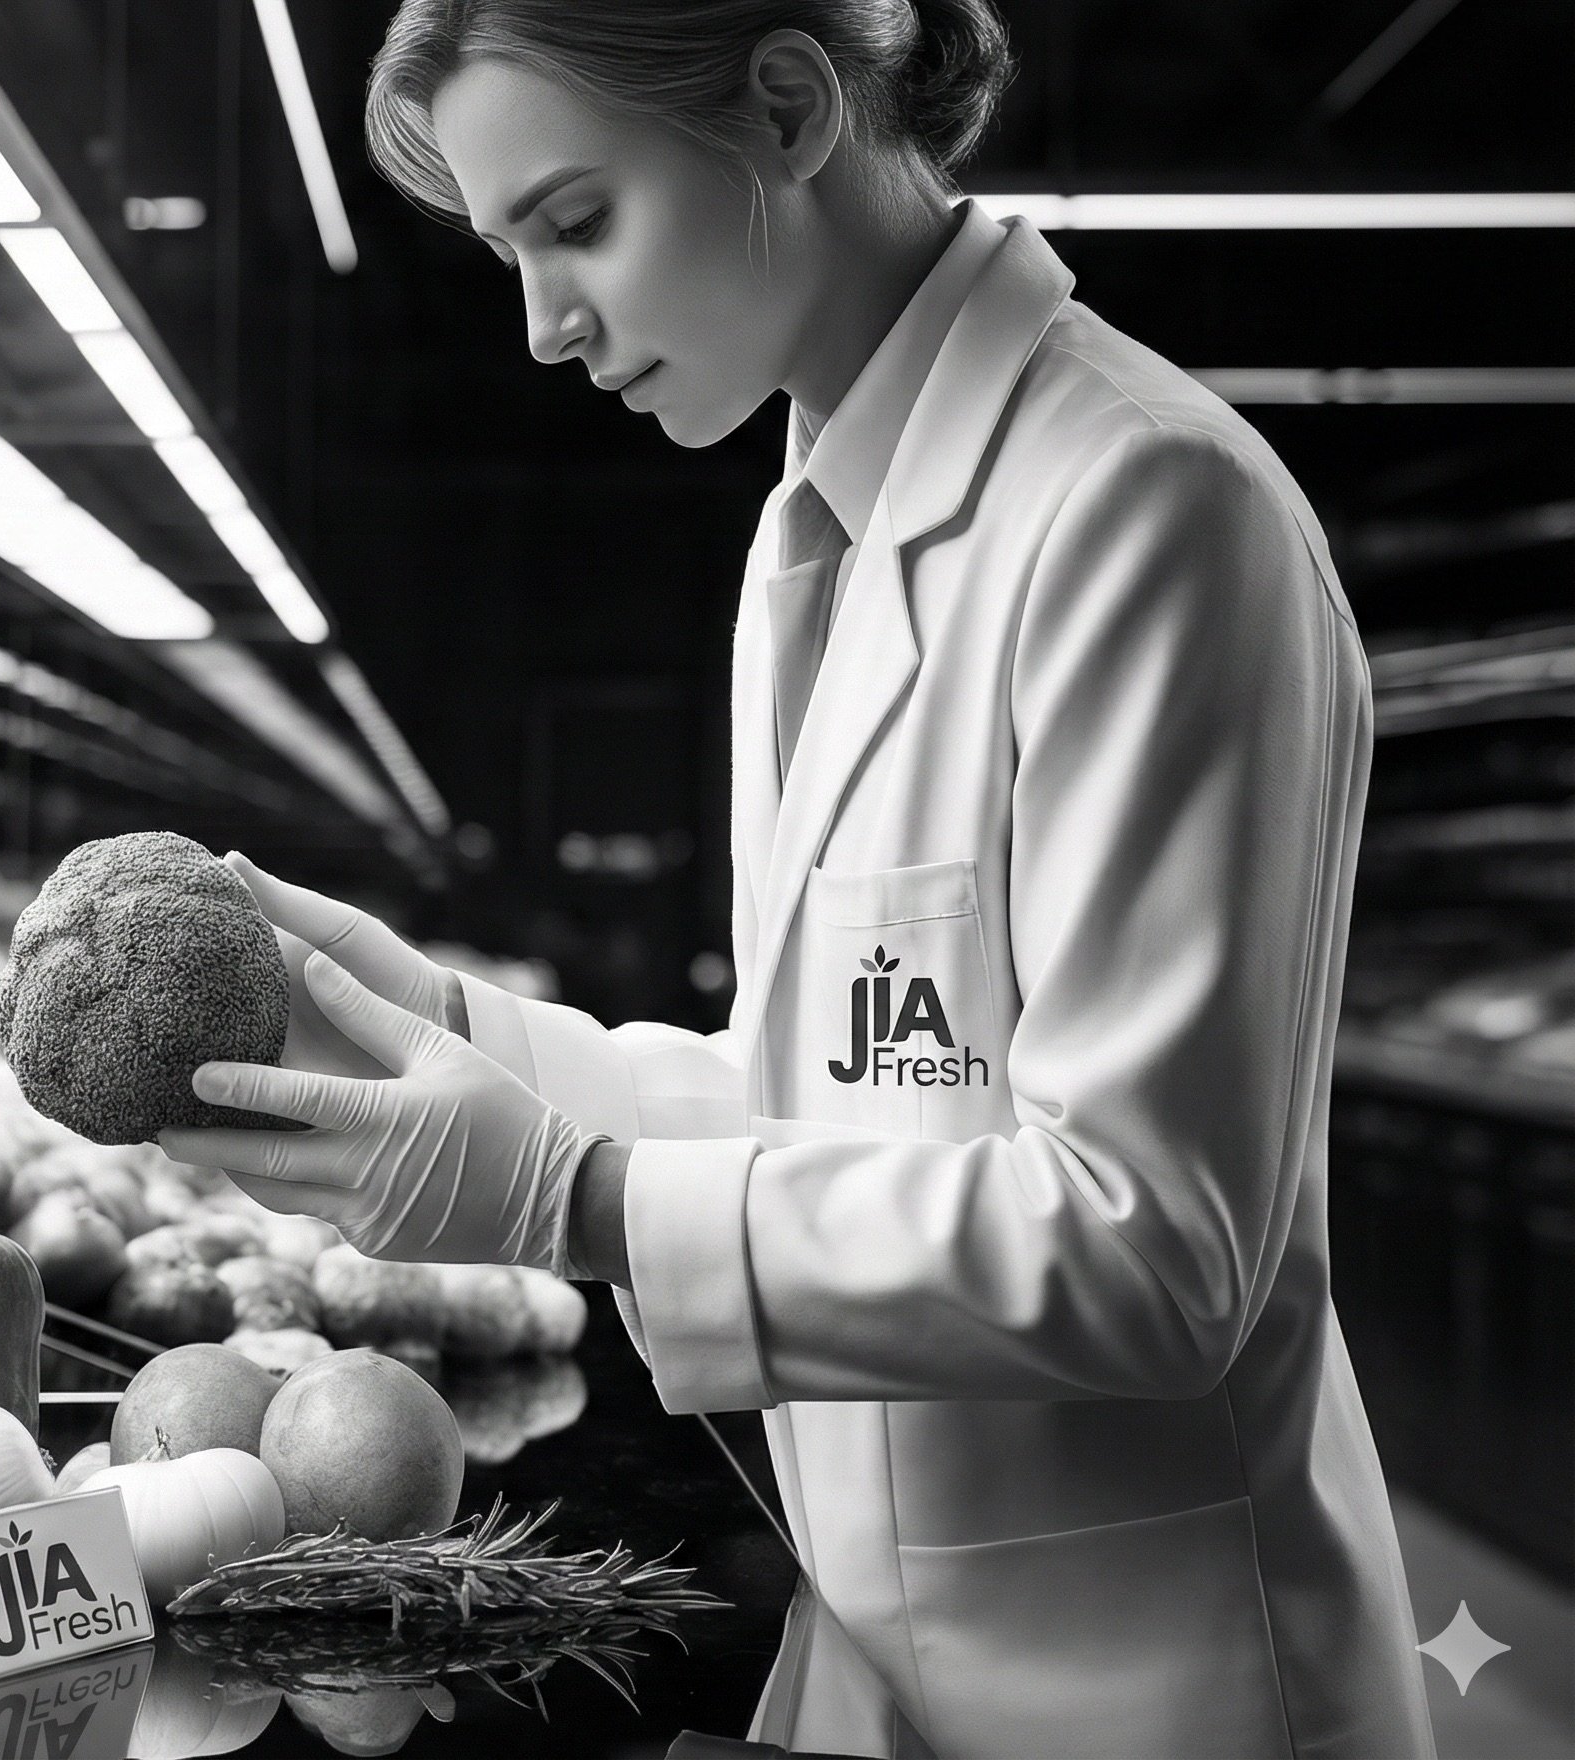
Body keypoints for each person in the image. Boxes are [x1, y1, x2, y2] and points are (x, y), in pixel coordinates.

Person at [158, 3, 1436, 1756]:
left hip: (1150, 1686)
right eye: (507, 251)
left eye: (574, 221)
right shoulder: (813, 527)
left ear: (782, 104)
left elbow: (1158, 1248)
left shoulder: (1149, 504)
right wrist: (453, 1030)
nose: (542, 330)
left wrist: (580, 1205)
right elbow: (837, 1103)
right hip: (887, 1654)